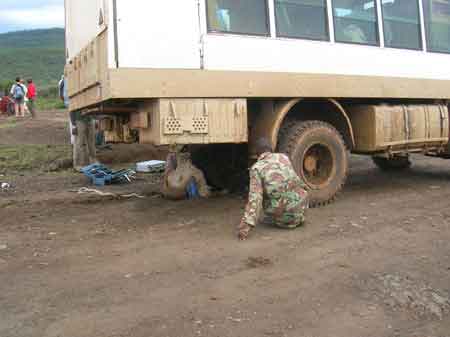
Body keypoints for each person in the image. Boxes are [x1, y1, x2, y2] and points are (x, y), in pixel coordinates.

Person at [238, 138, 309, 240]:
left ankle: (284, 220)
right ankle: (298, 217)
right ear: (271, 149)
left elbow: (255, 199)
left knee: (266, 195)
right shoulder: (284, 157)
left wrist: (245, 226)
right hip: (302, 210)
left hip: (285, 220)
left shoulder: (256, 168)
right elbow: (298, 181)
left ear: (257, 153)